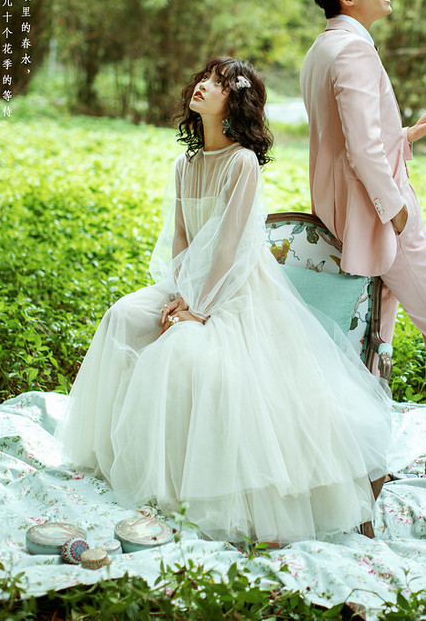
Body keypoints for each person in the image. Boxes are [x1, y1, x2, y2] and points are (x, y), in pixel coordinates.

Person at [57, 57, 392, 545]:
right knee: (122, 316)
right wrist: (179, 294)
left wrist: (198, 309)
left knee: (183, 349)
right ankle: (111, 453)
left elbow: (230, 249)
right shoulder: (185, 164)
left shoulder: (241, 163)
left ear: (235, 103)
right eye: (203, 78)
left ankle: (180, 484)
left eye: (218, 84)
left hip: (237, 291)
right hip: (190, 284)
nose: (203, 86)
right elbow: (181, 239)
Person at [300, 0, 426, 475]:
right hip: (380, 219)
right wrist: (395, 211)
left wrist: (409, 133)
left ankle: (359, 454)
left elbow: (347, 141)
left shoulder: (322, 49)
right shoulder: (354, 51)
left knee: (372, 339)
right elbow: (359, 149)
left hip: (343, 216)